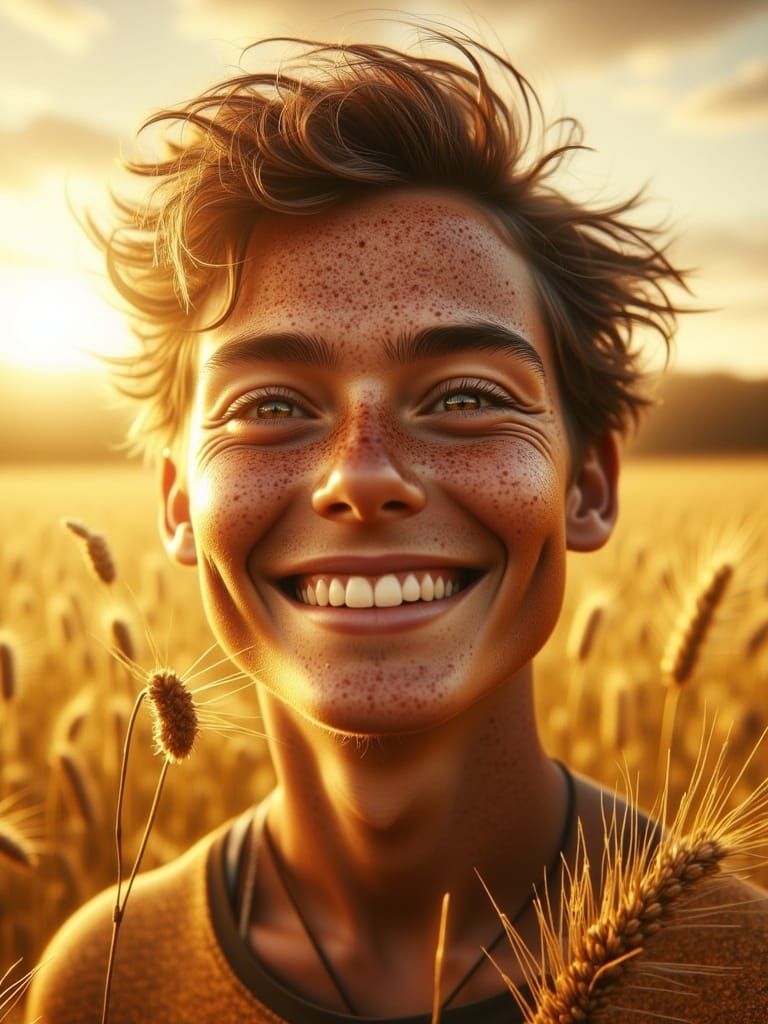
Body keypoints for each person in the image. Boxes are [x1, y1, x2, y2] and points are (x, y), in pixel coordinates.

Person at [28, 26, 768, 1024]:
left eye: (464, 396)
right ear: (179, 504)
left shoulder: (749, 975)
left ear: (587, 485)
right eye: (271, 406)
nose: (363, 476)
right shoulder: (102, 982)